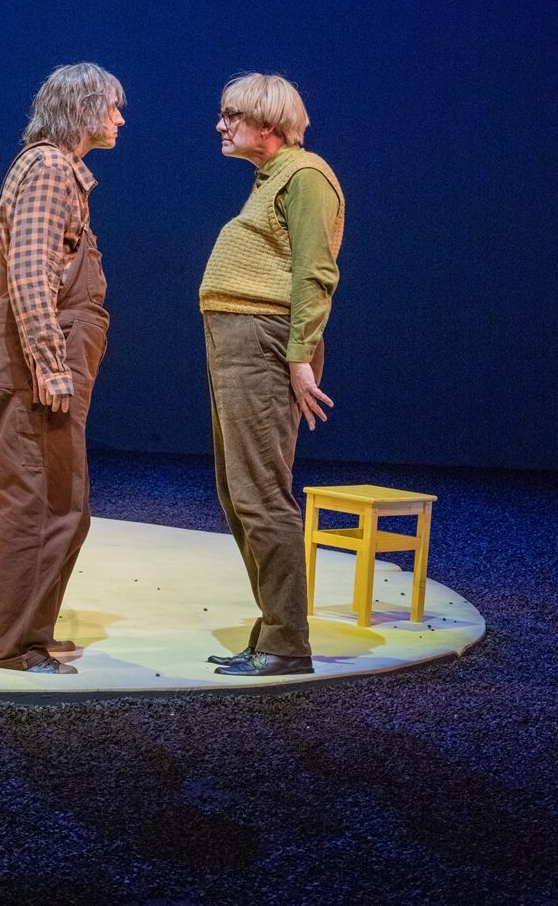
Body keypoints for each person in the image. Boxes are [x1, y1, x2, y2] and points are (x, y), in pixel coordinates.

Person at [0, 63, 125, 673]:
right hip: (40, 354)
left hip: (54, 349)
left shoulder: (60, 172)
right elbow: (30, 274)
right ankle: (12, 646)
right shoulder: (49, 168)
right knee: (40, 502)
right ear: (84, 110)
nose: (120, 119)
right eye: (112, 107)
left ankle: (29, 630)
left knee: (64, 503)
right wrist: (51, 363)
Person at [200, 73, 344, 677]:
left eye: (231, 115)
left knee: (261, 495)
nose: (220, 125)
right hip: (239, 341)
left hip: (264, 342)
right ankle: (272, 631)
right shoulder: (271, 179)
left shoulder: (306, 176)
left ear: (267, 123)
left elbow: (315, 271)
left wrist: (299, 357)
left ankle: (286, 643)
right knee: (239, 495)